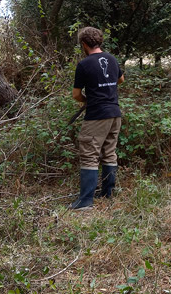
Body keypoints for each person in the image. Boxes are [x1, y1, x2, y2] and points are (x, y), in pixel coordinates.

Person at [69, 27, 125, 210]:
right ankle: (107, 194)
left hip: (96, 116)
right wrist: (106, 88)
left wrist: (89, 98)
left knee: (89, 155)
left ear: (84, 44)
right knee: (109, 152)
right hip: (115, 113)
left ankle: (85, 201)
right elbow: (121, 79)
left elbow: (76, 94)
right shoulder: (113, 59)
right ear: (100, 41)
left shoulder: (84, 65)